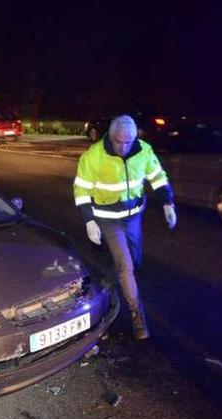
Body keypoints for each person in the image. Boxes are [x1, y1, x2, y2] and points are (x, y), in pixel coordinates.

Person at [72, 115, 177, 340]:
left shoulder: (143, 151)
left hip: (133, 217)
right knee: (126, 266)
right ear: (110, 136)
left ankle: (108, 280)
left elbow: (157, 176)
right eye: (119, 141)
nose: (123, 147)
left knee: (135, 260)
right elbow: (81, 190)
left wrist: (167, 202)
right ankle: (138, 318)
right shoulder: (94, 156)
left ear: (135, 137)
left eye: (128, 142)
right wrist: (89, 220)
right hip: (108, 219)